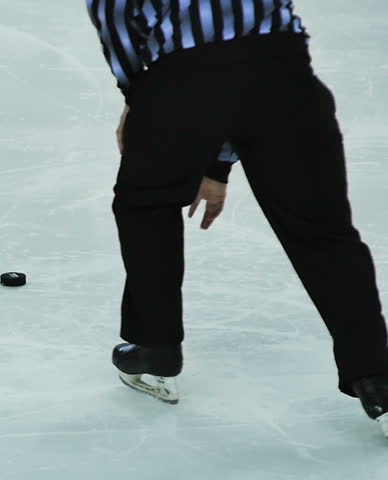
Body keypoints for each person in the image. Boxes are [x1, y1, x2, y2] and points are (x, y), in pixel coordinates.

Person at [86, 0, 388, 436]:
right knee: (323, 232)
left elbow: (116, 16)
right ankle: (377, 379)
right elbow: (243, 73)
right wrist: (217, 162)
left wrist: (142, 97)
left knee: (146, 202)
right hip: (285, 76)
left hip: (184, 79)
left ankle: (155, 349)